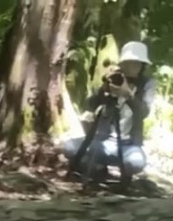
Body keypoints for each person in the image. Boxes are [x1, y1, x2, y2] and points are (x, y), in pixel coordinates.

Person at [62, 41, 157, 181]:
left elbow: (144, 113)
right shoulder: (114, 78)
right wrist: (104, 91)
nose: (132, 67)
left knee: (136, 162)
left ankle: (110, 169)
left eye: (136, 64)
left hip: (128, 144)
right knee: (69, 147)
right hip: (101, 139)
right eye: (128, 63)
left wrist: (128, 95)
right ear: (122, 64)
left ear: (142, 66)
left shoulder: (147, 85)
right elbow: (89, 105)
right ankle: (98, 168)